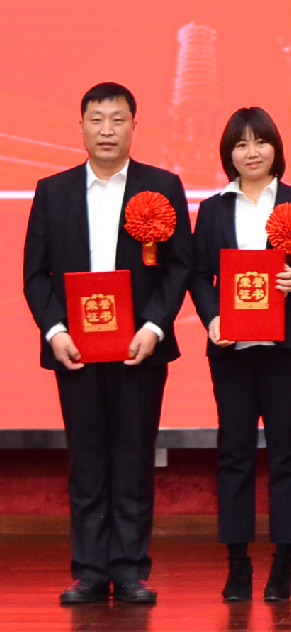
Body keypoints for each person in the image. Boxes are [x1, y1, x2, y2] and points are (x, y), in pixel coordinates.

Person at [23, 82, 192, 604]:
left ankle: (131, 569)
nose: (107, 131)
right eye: (96, 120)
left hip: (140, 347)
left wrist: (154, 327)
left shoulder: (161, 186)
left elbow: (178, 267)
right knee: (88, 459)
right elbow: (35, 274)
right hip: (76, 351)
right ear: (80, 127)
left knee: (135, 456)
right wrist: (55, 331)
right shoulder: (52, 190)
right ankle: (91, 571)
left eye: (118, 120)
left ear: (134, 127)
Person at [188, 107, 291, 602]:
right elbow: (199, 275)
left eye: (261, 142)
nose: (252, 153)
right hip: (231, 349)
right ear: (229, 154)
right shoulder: (213, 209)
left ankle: (284, 560)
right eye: (241, 144)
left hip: (286, 348)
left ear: (276, 149)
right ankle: (237, 563)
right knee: (234, 452)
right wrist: (212, 318)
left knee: (287, 450)